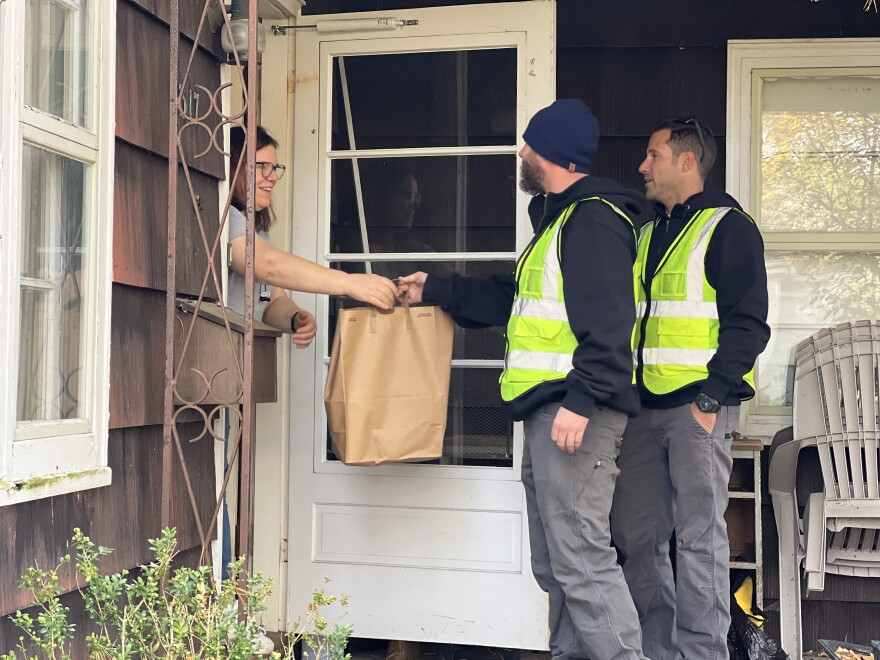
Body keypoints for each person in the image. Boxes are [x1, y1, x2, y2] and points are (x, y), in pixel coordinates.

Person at [399, 99, 648, 660]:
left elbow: (611, 325)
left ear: (553, 154)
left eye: (528, 144)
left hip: (574, 416)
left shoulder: (593, 220)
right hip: (550, 415)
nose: (520, 152)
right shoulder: (560, 221)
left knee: (582, 562)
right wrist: (434, 289)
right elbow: (515, 298)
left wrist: (581, 401)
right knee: (556, 565)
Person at [610, 117, 770, 660]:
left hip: (698, 410)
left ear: (686, 161)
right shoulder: (649, 233)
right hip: (642, 412)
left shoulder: (728, 227)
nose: (642, 167)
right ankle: (657, 651)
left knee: (699, 540)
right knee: (638, 538)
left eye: (652, 155)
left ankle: (702, 654)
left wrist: (710, 399)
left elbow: (749, 323)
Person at [226, 125, 398, 339]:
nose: (272, 177)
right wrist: (348, 282)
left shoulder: (257, 231)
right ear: (234, 168)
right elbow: (267, 266)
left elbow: (270, 299)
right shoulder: (227, 218)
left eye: (275, 167)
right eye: (262, 167)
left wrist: (294, 317)